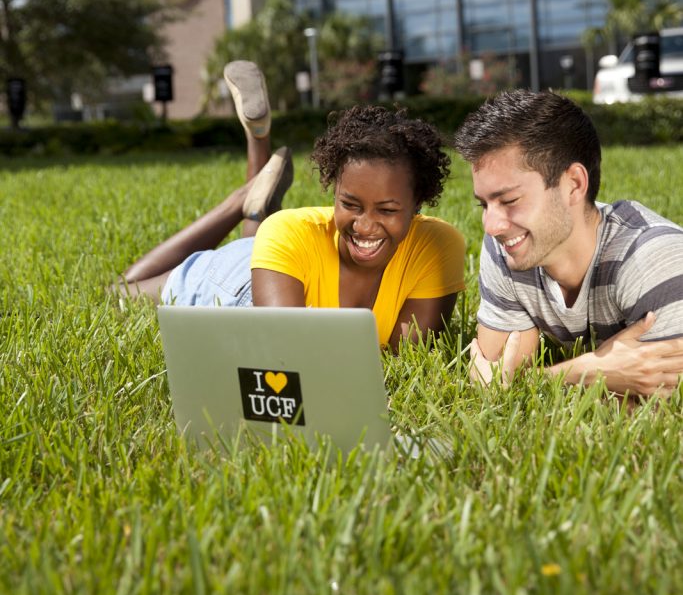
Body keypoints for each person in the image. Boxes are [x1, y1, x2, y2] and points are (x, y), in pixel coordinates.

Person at [121, 61, 466, 352]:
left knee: (260, 238)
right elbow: (286, 352)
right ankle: (240, 200)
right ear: (333, 190)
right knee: (122, 292)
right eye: (350, 203)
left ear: (417, 203)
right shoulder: (288, 234)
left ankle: (256, 179)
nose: (365, 225)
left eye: (387, 210)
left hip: (281, 260)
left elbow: (406, 355)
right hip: (240, 284)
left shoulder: (437, 247)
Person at [452, 89, 683, 397]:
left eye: (509, 200)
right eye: (484, 205)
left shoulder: (652, 257)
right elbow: (492, 382)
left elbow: (659, 407)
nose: (491, 226)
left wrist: (550, 377)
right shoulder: (508, 249)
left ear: (573, 184)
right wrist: (594, 369)